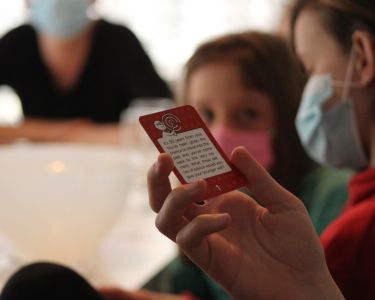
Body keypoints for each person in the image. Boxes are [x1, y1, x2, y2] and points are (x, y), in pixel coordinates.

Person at [148, 0, 375, 299]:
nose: (222, 133)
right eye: (205, 115)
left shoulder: (341, 209)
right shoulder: (207, 202)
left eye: (248, 115)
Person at [0, 0, 171, 144]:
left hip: (108, 168)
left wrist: (28, 131)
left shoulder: (120, 42)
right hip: (34, 167)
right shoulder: (15, 43)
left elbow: (167, 124)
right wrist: (62, 132)